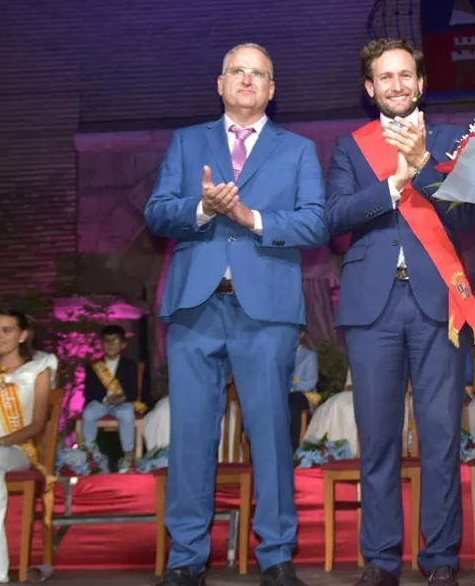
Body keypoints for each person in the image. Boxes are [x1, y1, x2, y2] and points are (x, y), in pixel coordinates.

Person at [145, 42, 328, 586]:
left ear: (272, 89)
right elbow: (157, 212)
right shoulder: (187, 142)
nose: (247, 80)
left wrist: (249, 216)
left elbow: (316, 224)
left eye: (259, 74)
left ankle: (275, 555)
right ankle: (186, 558)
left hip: (266, 311)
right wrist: (202, 208)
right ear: (220, 84)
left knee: (270, 432)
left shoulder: (297, 150)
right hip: (195, 308)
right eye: (237, 72)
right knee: (192, 434)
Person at [326, 38, 475, 586]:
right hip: (372, 309)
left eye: (405, 75)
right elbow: (335, 217)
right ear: (371, 89)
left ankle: (440, 558)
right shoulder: (351, 146)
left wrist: (425, 168)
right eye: (385, 77)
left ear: (421, 83)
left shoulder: (450, 141)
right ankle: (382, 559)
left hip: (438, 303)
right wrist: (394, 183)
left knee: (441, 437)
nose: (396, 84)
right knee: (379, 438)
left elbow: (465, 219)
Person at [0, 311, 57, 585]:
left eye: (6, 330)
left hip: (16, 448)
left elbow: (38, 424)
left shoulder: (38, 368)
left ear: (23, 335)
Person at [81, 324, 145, 472]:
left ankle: (128, 455)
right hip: (101, 402)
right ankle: (92, 454)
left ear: (122, 344)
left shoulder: (129, 365)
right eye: (106, 341)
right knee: (88, 413)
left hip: (122, 403)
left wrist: (122, 397)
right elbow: (88, 392)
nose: (110, 344)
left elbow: (133, 392)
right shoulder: (94, 366)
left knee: (127, 414)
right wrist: (105, 399)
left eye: (114, 340)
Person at [288, 330, 318, 451]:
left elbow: (310, 382)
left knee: (292, 402)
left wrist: (290, 387)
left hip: (304, 395)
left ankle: (294, 447)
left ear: (302, 334)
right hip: (286, 394)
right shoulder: (282, 355)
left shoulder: (310, 355)